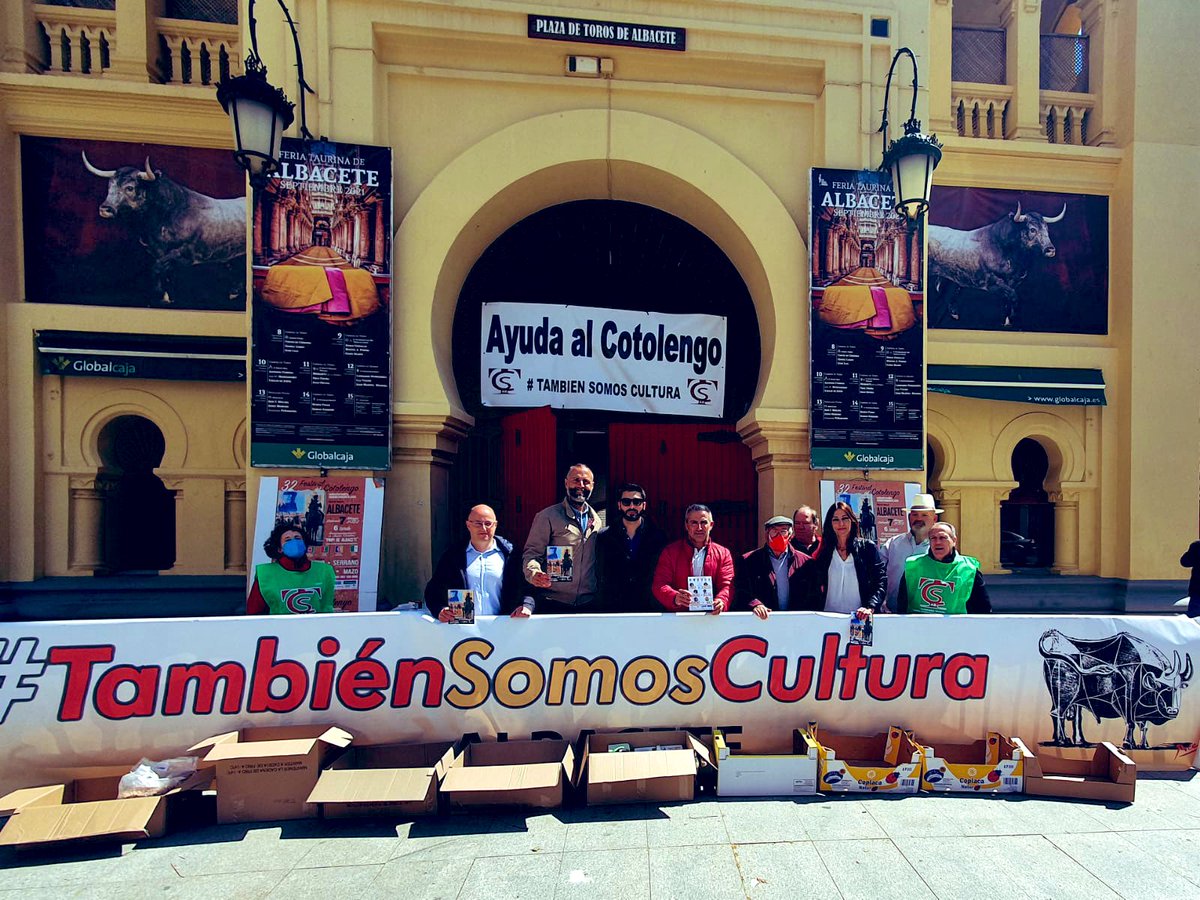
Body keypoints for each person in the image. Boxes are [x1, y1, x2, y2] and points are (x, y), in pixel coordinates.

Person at [425, 504, 532, 621]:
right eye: (478, 524)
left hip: (503, 625)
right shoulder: (454, 556)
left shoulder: (511, 556)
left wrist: (526, 606)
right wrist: (440, 610)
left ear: (495, 525)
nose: (484, 528)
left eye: (488, 523)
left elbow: (527, 588)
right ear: (468, 525)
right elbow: (433, 590)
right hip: (464, 626)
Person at [522, 463, 603, 613]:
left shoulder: (597, 521)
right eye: (576, 480)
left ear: (592, 486)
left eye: (586, 482)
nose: (581, 485)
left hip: (588, 603)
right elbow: (532, 554)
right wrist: (534, 573)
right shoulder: (547, 517)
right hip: (553, 602)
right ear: (566, 483)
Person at [803, 501, 886, 617]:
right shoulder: (823, 553)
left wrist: (870, 607)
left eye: (845, 518)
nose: (841, 523)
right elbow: (813, 588)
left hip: (859, 618)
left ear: (852, 520)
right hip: (827, 619)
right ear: (830, 524)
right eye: (835, 520)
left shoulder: (867, 548)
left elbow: (880, 581)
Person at [596, 482, 669, 612]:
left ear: (644, 505)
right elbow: (599, 572)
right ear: (619, 505)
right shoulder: (604, 537)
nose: (631, 506)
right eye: (626, 502)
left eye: (636, 502)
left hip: (648, 606)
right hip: (614, 607)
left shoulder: (659, 537)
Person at [652, 504, 735, 614]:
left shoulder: (723, 553)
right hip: (678, 617)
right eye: (694, 523)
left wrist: (721, 601)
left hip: (711, 617)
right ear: (686, 525)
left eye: (704, 522)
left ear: (711, 525)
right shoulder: (670, 552)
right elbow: (659, 584)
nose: (699, 528)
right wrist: (675, 597)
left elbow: (727, 585)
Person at [897, 522, 992, 614]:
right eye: (933, 538)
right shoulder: (913, 566)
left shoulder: (968, 569)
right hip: (918, 623)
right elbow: (901, 604)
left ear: (954, 541)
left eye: (943, 537)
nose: (937, 542)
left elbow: (983, 609)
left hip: (956, 624)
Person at [247, 523, 336, 614]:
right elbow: (254, 612)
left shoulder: (324, 571)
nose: (294, 542)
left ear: (305, 544)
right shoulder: (265, 574)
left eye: (298, 538)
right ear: (279, 549)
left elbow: (327, 608)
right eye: (288, 540)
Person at [735, 515, 812, 619]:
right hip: (764, 620)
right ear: (767, 534)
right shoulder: (749, 560)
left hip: (795, 621)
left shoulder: (805, 562)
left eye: (783, 531)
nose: (779, 535)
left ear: (790, 535)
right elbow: (742, 589)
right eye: (774, 531)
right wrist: (755, 604)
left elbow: (813, 594)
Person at [882, 493, 942, 612]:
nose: (919, 519)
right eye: (915, 515)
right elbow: (877, 575)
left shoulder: (939, 547)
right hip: (892, 613)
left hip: (927, 614)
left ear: (934, 519)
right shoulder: (893, 544)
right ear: (909, 517)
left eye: (924, 515)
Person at [1182, 541, 1200, 618]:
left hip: (1197, 589)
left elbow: (1185, 562)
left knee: (1194, 616)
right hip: (1197, 589)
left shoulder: (1196, 546)